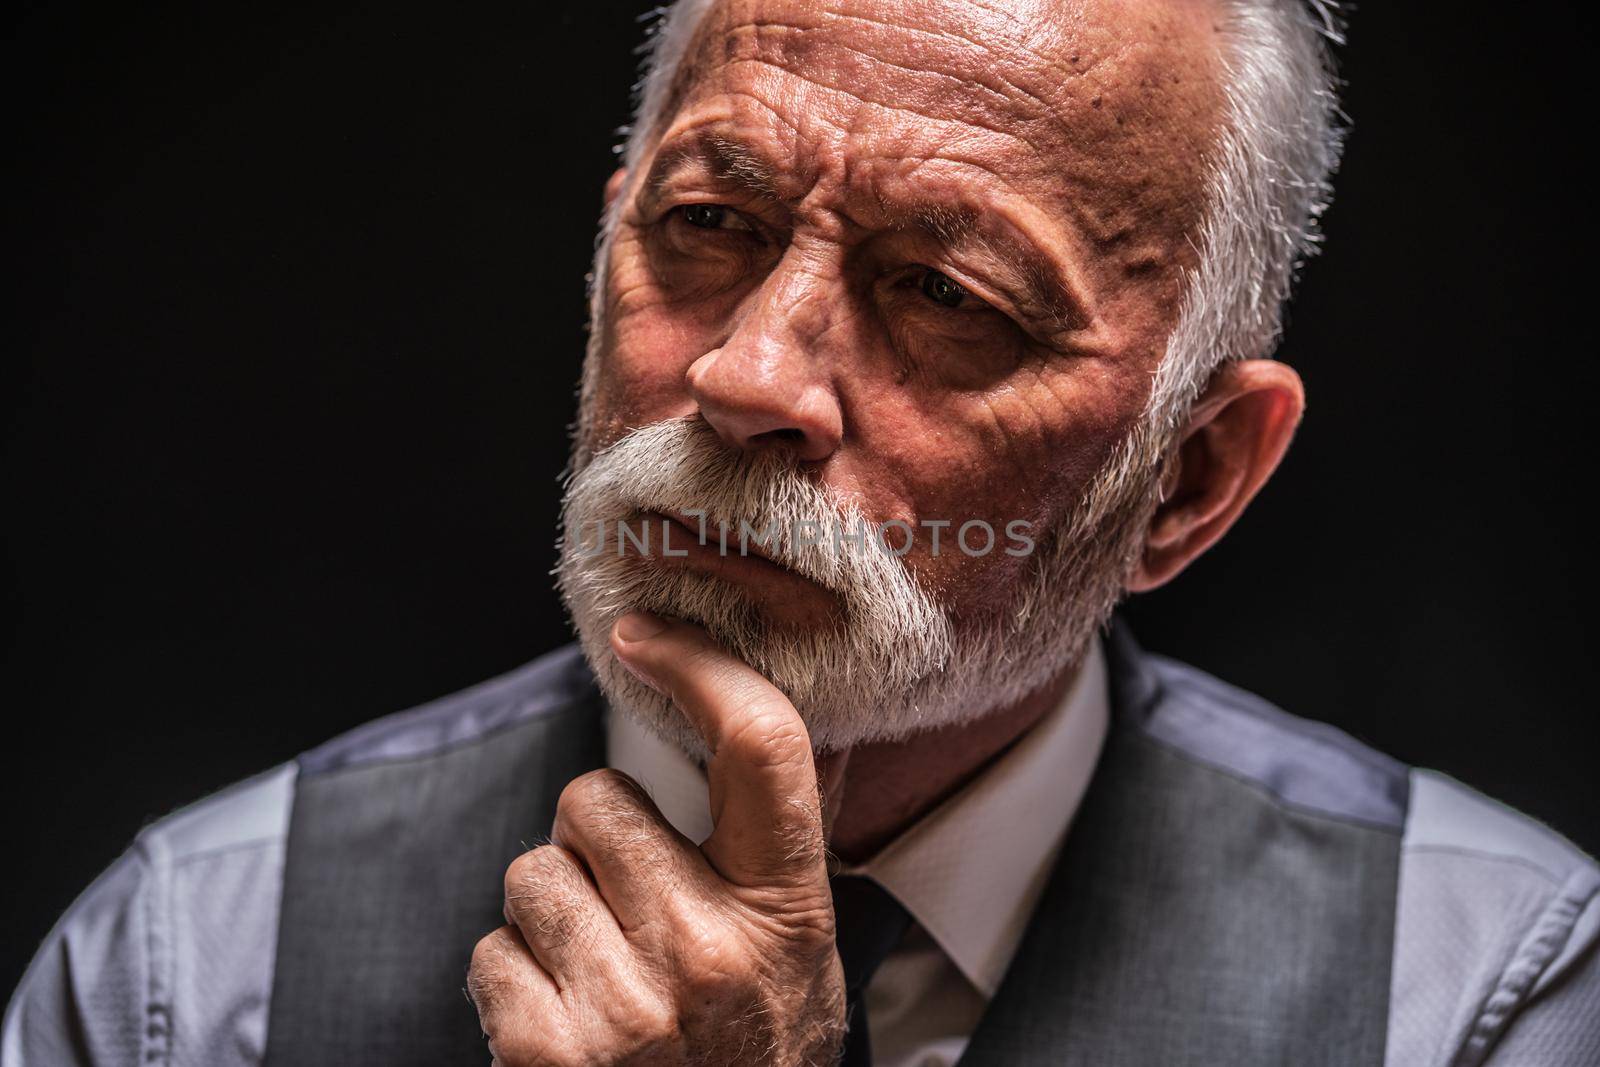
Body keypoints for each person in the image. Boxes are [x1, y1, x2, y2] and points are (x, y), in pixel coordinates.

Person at [6, 0, 1597, 1064]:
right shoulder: (191, 972)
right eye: (710, 226)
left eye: (947, 295)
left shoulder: (1479, 992)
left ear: (1189, 480)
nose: (746, 373)